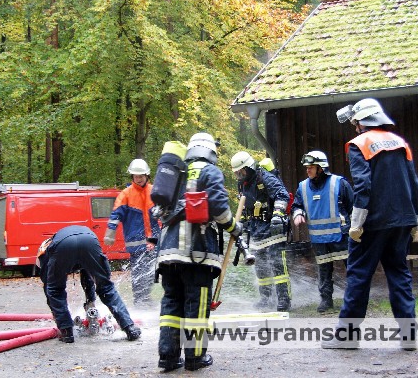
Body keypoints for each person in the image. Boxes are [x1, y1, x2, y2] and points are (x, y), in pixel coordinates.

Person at [322, 98, 418, 350]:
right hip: (402, 221)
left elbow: (363, 186)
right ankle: (409, 336)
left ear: (360, 122)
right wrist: (414, 217)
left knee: (359, 276)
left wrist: (356, 223)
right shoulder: (400, 142)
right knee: (399, 274)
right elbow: (414, 184)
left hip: (373, 223)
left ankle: (347, 337)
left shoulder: (359, 143)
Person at [156, 133, 242, 372]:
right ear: (210, 151)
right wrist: (234, 227)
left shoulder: (176, 171)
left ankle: (168, 357)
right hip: (197, 253)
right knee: (197, 303)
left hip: (168, 253)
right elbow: (219, 208)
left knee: (171, 304)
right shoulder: (210, 171)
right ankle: (194, 357)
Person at [37, 225, 141, 343]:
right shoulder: (52, 245)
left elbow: (50, 290)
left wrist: (59, 319)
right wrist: (90, 302)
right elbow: (88, 277)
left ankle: (67, 333)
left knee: (55, 290)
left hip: (64, 245)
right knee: (106, 287)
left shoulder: (44, 254)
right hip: (89, 240)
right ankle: (129, 327)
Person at [291, 150, 353, 313]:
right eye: (307, 167)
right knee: (324, 271)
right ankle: (326, 300)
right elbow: (297, 205)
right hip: (319, 239)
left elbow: (352, 206)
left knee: (352, 269)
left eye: (311, 167)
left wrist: (355, 229)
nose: (308, 170)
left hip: (341, 236)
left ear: (321, 168)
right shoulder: (303, 187)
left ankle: (354, 300)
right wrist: (298, 214)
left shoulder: (339, 183)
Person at [231, 151, 292, 312]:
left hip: (273, 228)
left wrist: (278, 214)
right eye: (236, 173)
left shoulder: (264, 177)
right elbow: (244, 208)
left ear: (248, 168)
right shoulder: (242, 184)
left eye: (240, 172)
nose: (238, 176)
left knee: (278, 265)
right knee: (261, 267)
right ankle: (266, 299)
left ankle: (284, 299)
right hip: (256, 229)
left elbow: (282, 195)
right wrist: (241, 224)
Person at [104, 159, 160, 307]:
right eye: (136, 176)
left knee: (151, 271)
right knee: (139, 272)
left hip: (153, 240)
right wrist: (110, 233)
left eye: (141, 176)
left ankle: (145, 298)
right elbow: (116, 214)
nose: (138, 178)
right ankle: (140, 300)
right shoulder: (126, 194)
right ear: (132, 177)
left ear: (147, 175)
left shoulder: (154, 191)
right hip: (136, 242)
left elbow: (164, 209)